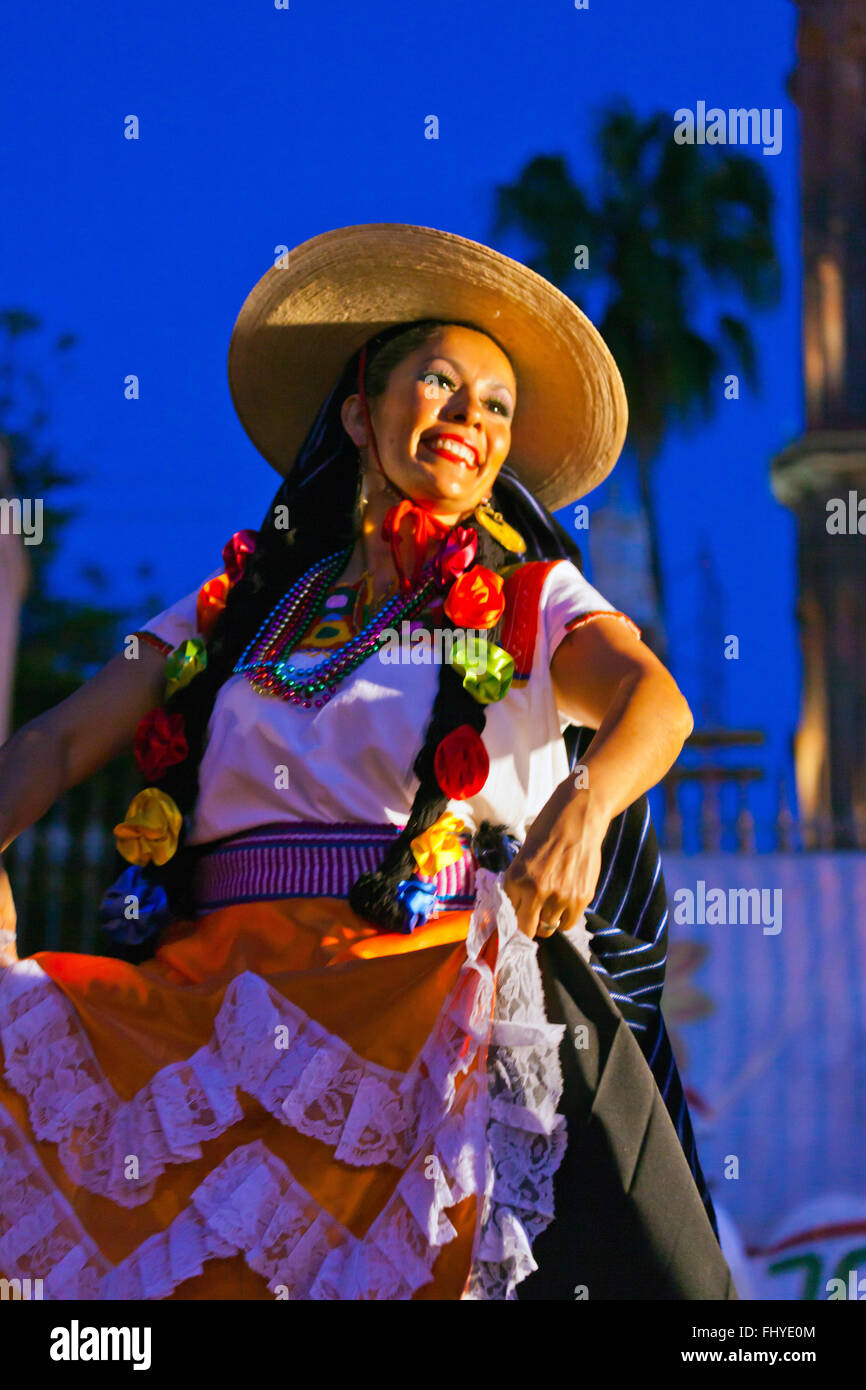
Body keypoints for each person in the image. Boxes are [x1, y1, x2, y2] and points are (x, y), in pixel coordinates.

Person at [0, 223, 737, 1300]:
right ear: (358, 414)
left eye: (495, 404)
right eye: (438, 382)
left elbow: (652, 706)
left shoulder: (535, 601)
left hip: (423, 1012)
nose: (469, 418)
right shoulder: (238, 610)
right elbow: (55, 740)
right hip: (214, 1014)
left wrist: (578, 808)